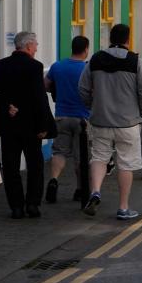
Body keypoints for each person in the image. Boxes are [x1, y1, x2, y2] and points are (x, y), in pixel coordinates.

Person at [78, 23, 142, 221]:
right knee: (125, 163)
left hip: (100, 120)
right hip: (128, 122)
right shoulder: (135, 61)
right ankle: (123, 207)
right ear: (128, 39)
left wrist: (92, 106)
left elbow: (83, 88)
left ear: (110, 38)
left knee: (99, 157)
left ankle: (95, 191)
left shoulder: (95, 59)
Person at [0, 32, 56, 219]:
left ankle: (16, 207)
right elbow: (40, 99)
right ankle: (32, 204)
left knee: (10, 167)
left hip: (9, 125)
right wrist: (43, 126)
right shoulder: (35, 66)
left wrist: (6, 106)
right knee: (35, 166)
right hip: (31, 126)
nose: (37, 48)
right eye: (35, 45)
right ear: (28, 46)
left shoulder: (1, 65)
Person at [44, 36, 90, 204]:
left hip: (62, 116)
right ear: (85, 49)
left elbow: (45, 85)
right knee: (81, 156)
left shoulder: (58, 66)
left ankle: (54, 180)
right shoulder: (87, 69)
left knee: (59, 152)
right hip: (83, 119)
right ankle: (80, 189)